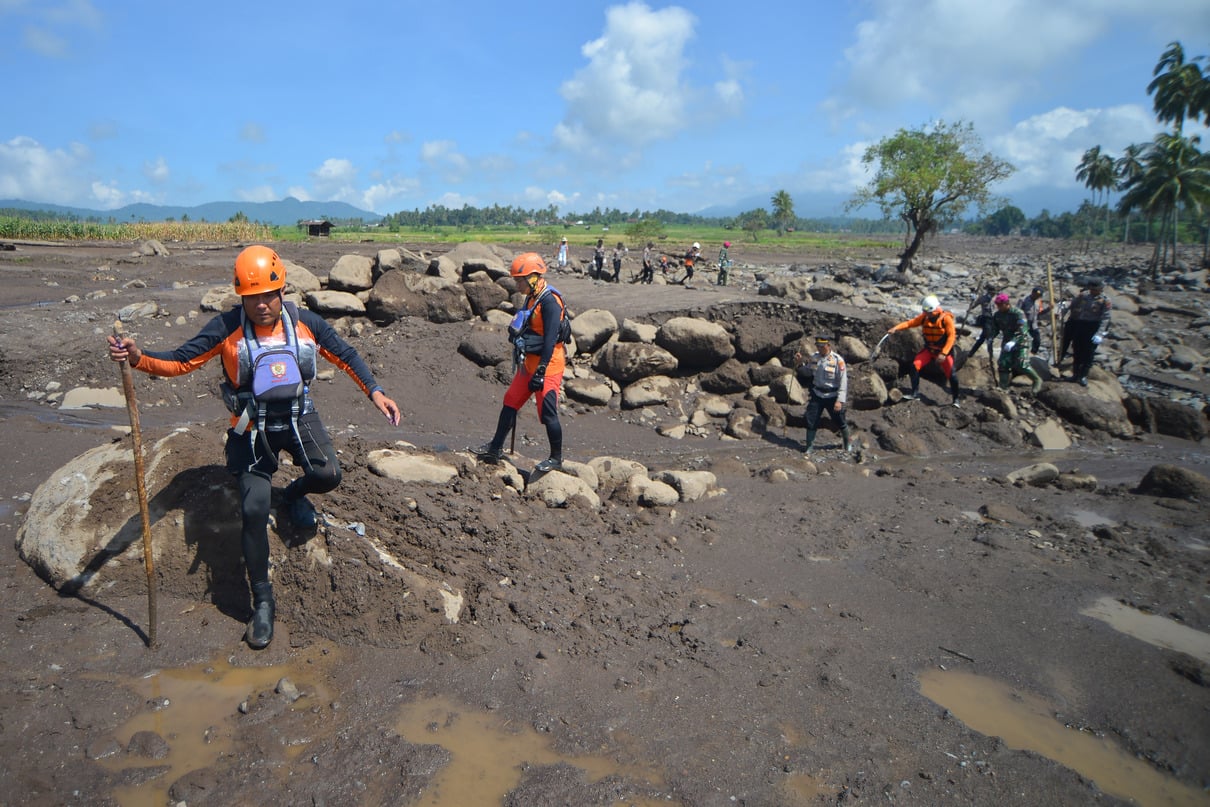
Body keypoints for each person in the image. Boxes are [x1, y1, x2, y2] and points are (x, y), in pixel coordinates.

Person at [106, 245, 401, 650]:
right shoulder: (226, 327)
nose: (261, 305)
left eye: (268, 295)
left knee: (328, 475)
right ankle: (262, 601)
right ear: (240, 296)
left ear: (282, 291)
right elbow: (180, 361)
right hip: (249, 426)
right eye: (252, 297)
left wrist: (376, 391)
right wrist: (139, 358)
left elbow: (345, 354)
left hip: (298, 416)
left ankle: (292, 494)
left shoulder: (306, 323)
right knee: (252, 509)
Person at [471, 252, 569, 473]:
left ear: (533, 277)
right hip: (530, 364)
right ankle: (495, 448)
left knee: (547, 412)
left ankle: (556, 458)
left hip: (548, 365)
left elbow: (551, 339)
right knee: (510, 401)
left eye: (519, 280)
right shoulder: (532, 297)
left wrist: (541, 371)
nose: (517, 284)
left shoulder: (550, 302)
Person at [887, 294, 961, 405]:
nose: (926, 314)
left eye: (929, 312)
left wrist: (944, 353)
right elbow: (910, 323)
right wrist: (896, 328)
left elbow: (951, 337)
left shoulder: (946, 319)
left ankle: (956, 400)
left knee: (952, 375)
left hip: (942, 352)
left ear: (935, 310)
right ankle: (915, 393)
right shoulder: (924, 317)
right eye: (925, 312)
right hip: (929, 350)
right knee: (914, 366)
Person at [794, 335, 850, 453]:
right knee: (811, 419)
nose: (820, 348)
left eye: (822, 346)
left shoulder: (837, 360)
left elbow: (843, 382)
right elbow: (808, 373)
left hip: (832, 396)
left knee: (840, 420)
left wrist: (840, 400)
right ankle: (809, 446)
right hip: (817, 394)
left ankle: (847, 444)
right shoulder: (815, 357)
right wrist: (799, 364)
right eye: (818, 346)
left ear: (828, 345)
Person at [1058, 277, 1112, 386]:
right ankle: (1075, 374)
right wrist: (1063, 307)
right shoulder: (1083, 295)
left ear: (1100, 289)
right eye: (1091, 289)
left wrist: (1100, 334)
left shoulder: (1105, 301)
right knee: (1077, 350)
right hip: (1080, 324)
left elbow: (1105, 318)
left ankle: (1083, 376)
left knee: (1088, 353)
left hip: (1093, 327)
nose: (1092, 291)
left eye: (1094, 289)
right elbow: (1071, 304)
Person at [989, 293, 1043, 393]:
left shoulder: (1018, 313)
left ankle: (1036, 380)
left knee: (1022, 364)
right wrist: (990, 337)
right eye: (997, 305)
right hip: (1007, 341)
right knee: (1003, 363)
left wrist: (1014, 341)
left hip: (1021, 341)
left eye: (1000, 305)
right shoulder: (998, 315)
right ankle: (1003, 387)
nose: (999, 307)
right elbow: (995, 329)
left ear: (1006, 303)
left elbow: (1022, 330)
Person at [964, 283, 997, 369]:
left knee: (986, 337)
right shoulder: (983, 298)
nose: (993, 293)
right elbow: (975, 305)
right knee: (987, 337)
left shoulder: (996, 299)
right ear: (989, 292)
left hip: (995, 320)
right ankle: (989, 355)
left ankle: (973, 352)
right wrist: (970, 307)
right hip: (986, 319)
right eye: (992, 292)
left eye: (994, 292)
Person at [1019, 287, 1046, 354]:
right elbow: (1017, 311)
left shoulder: (1039, 302)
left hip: (1033, 324)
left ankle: (1033, 353)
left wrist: (1049, 308)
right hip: (1024, 323)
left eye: (1039, 295)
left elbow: (1040, 313)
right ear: (1032, 293)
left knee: (1037, 340)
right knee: (1023, 340)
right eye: (1036, 294)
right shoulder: (1023, 300)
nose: (1037, 296)